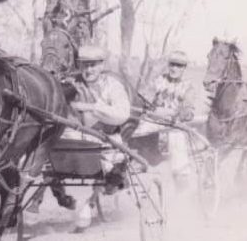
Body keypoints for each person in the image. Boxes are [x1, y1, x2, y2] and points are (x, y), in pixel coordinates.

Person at [62, 45, 132, 230]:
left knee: (111, 173)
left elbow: (123, 114)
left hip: (107, 138)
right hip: (77, 138)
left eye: (93, 65)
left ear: (102, 65)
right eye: (84, 65)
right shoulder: (72, 84)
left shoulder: (113, 86)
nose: (88, 70)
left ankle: (91, 202)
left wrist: (93, 108)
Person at [142, 50, 196, 185]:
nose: (174, 68)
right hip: (151, 122)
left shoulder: (188, 86)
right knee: (133, 134)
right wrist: (150, 106)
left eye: (179, 66)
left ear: (184, 68)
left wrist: (175, 114)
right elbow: (145, 99)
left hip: (173, 125)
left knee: (177, 141)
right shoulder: (158, 81)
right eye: (172, 65)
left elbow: (188, 111)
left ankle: (181, 183)